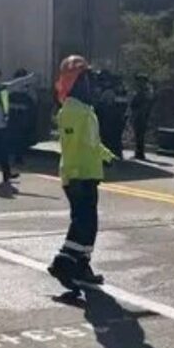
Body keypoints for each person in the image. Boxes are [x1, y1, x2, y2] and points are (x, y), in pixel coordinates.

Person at [48, 55, 115, 288]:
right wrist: (75, 174)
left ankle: (82, 264)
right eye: (85, 78)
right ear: (74, 81)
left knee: (90, 223)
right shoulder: (71, 111)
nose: (90, 83)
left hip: (89, 174)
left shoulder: (85, 109)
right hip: (78, 175)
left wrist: (107, 156)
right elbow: (72, 145)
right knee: (82, 222)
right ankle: (63, 262)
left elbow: (92, 142)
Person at [7, 68, 38, 166]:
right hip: (14, 116)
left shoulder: (28, 90)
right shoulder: (12, 88)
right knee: (8, 138)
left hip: (20, 117)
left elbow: (33, 102)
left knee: (19, 139)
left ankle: (18, 158)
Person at [130, 74, 155, 160]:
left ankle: (140, 153)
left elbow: (146, 104)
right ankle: (138, 152)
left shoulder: (146, 91)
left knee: (140, 135)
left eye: (140, 81)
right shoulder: (140, 91)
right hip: (138, 115)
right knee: (138, 134)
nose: (138, 83)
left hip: (142, 116)